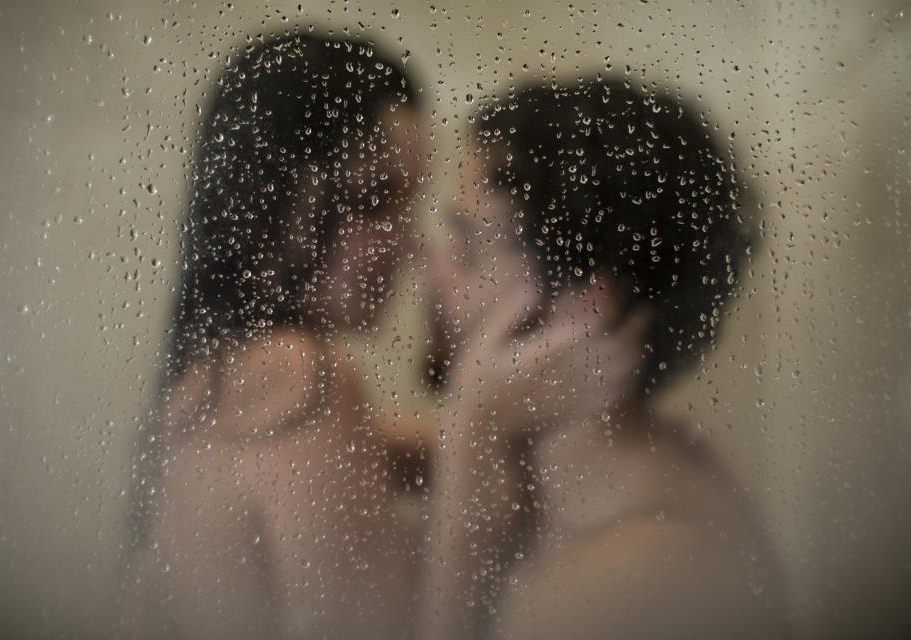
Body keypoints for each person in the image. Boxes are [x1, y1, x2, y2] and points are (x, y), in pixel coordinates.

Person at [423, 79, 786, 639]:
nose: (433, 267)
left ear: (582, 312)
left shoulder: (633, 576)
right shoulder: (591, 476)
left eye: (469, 243)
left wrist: (470, 438)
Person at [117, 32, 426, 639]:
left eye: (408, 205)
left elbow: (397, 438)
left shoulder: (206, 380)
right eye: (376, 200)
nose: (410, 245)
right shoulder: (304, 381)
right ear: (271, 197)